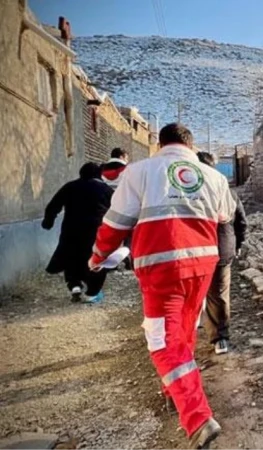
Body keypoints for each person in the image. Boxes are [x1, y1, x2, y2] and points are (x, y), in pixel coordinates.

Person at [89, 123, 236, 449]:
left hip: (162, 266)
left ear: (159, 144)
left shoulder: (141, 171)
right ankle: (173, 392)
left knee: (163, 342)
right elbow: (226, 215)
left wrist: (98, 256)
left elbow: (115, 223)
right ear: (191, 145)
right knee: (182, 332)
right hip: (202, 265)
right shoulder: (213, 176)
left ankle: (197, 418)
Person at [196, 151, 248, 355]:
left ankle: (194, 326)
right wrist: (238, 244)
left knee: (194, 290)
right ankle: (220, 338)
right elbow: (241, 222)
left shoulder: (186, 192)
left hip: (193, 250)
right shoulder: (227, 192)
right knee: (218, 293)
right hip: (221, 248)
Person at [43, 162, 114, 303]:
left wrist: (48, 221)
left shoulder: (70, 186)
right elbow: (117, 208)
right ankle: (92, 292)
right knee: (94, 259)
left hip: (71, 229)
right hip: (95, 230)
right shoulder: (105, 189)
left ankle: (74, 285)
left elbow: (53, 205)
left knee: (72, 256)